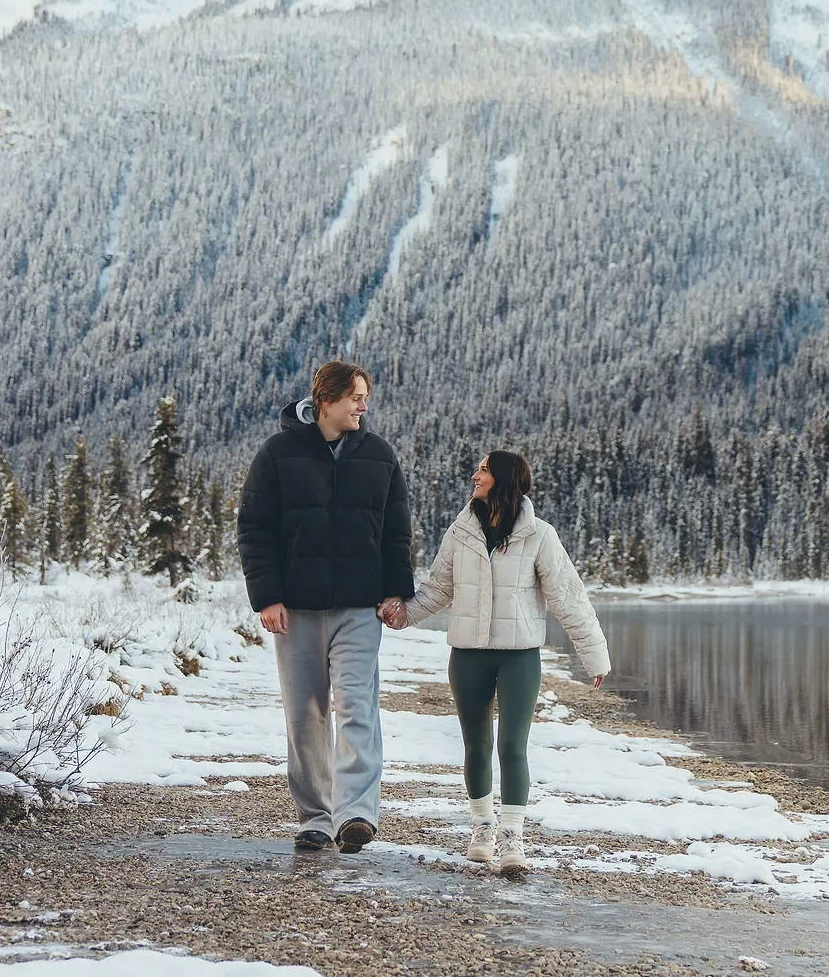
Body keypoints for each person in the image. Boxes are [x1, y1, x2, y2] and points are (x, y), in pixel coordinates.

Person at [382, 450, 609, 874]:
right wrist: (402, 615)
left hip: (519, 656)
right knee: (477, 745)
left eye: (483, 470)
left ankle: (512, 838)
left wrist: (593, 654)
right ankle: (481, 829)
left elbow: (568, 598)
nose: (474, 476)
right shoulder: (461, 531)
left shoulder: (540, 535)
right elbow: (437, 590)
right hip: (467, 655)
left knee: (512, 745)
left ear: (504, 478)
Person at [237, 360, 414, 854]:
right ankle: (315, 816)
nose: (364, 405)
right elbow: (255, 529)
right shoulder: (277, 453)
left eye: (365, 397)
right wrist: (267, 596)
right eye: (356, 396)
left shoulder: (379, 455)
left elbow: (397, 532)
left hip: (360, 609)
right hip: (296, 609)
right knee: (306, 713)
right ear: (326, 401)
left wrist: (396, 591)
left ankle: (355, 813)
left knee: (357, 707)